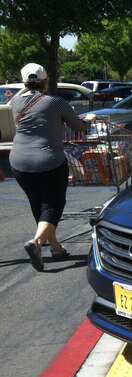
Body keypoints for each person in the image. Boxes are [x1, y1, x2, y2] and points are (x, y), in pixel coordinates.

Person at [9, 63, 91, 271]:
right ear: (46, 80)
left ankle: (56, 248)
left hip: (18, 161)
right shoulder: (56, 102)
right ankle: (36, 243)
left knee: (38, 204)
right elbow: (79, 128)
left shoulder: (16, 102)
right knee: (53, 205)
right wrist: (88, 120)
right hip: (49, 160)